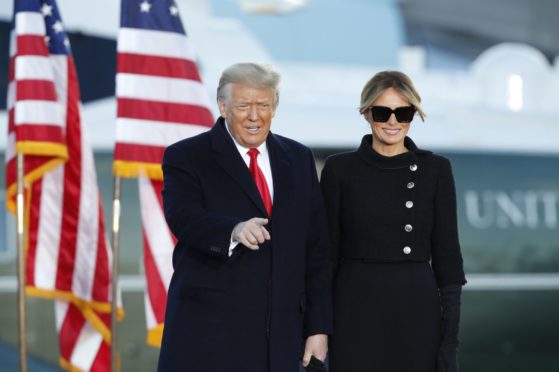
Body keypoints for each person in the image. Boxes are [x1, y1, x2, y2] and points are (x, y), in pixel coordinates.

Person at [157, 63, 333, 372]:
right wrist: (233, 230)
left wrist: (318, 327)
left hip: (282, 339)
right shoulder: (187, 156)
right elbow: (181, 216)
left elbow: (316, 247)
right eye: (243, 106)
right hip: (210, 335)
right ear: (223, 106)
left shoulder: (298, 157)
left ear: (274, 107)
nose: (254, 116)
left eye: (263, 105)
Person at [320, 70, 466, 372]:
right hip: (354, 311)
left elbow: (448, 262)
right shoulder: (339, 170)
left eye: (403, 112)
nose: (392, 121)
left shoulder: (435, 170)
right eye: (382, 111)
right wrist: (317, 329)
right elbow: (324, 258)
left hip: (415, 310)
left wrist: (449, 344)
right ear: (366, 112)